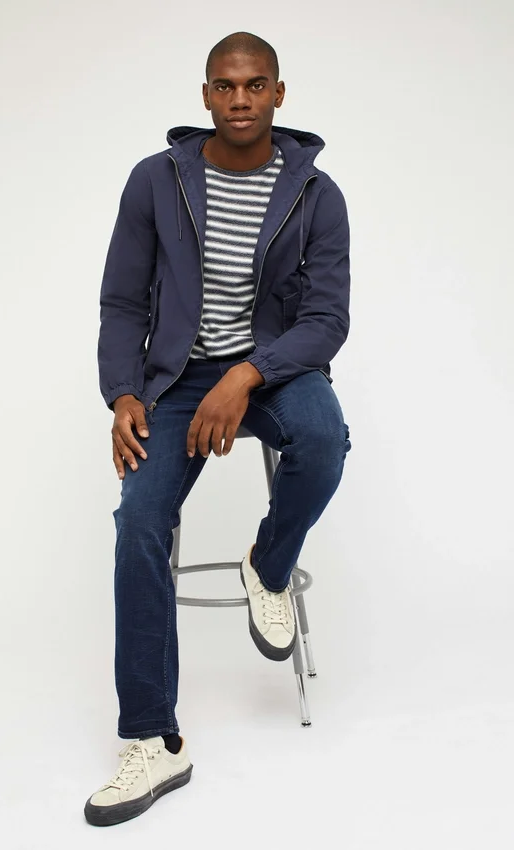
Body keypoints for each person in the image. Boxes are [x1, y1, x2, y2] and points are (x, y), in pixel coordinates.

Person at [84, 30, 352, 827]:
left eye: (254, 84)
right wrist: (122, 393)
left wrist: (245, 375)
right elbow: (122, 301)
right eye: (225, 86)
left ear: (278, 93)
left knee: (322, 440)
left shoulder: (316, 194)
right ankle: (153, 740)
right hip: (174, 380)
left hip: (273, 369)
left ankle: (267, 566)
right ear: (205, 95)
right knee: (139, 522)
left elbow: (326, 320)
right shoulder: (156, 179)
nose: (240, 99)